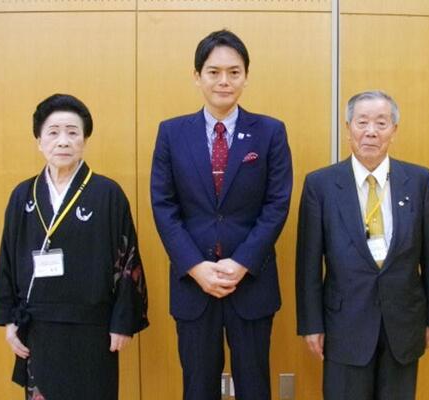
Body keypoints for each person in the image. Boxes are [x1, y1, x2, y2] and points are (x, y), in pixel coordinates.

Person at [150, 29, 292, 400]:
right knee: (198, 388)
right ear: (197, 76)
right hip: (193, 284)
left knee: (255, 387)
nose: (224, 81)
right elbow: (163, 206)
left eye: (234, 72)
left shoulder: (270, 132)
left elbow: (277, 204)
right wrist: (196, 267)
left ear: (246, 76)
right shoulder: (171, 133)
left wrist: (242, 262)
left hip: (251, 282)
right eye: (213, 72)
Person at [0, 93, 148, 400]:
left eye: (72, 132)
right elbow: (7, 259)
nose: (63, 141)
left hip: (92, 326)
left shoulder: (108, 193)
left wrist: (122, 322)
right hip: (38, 325)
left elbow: (128, 260)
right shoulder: (23, 195)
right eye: (53, 133)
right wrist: (9, 320)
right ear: (39, 141)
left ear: (85, 140)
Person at [296, 90, 429, 399]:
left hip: (403, 323)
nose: (371, 131)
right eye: (362, 122)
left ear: (394, 130)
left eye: (381, 123)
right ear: (348, 128)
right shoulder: (321, 185)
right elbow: (308, 264)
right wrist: (311, 324)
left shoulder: (419, 181)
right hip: (344, 324)